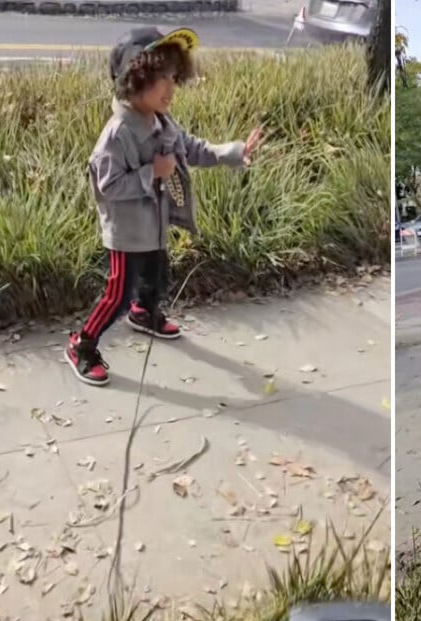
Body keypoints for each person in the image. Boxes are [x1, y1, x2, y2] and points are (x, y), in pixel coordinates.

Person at [65, 26, 265, 386]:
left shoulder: (162, 122)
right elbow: (108, 186)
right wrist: (150, 171)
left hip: (154, 224)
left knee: (157, 277)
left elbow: (192, 148)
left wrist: (235, 152)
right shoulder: (118, 134)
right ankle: (83, 344)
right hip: (127, 232)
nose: (170, 87)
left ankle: (144, 312)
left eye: (174, 77)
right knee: (117, 294)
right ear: (135, 79)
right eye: (161, 78)